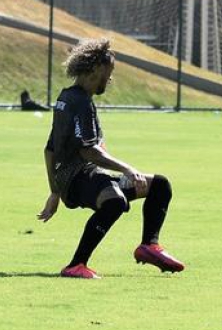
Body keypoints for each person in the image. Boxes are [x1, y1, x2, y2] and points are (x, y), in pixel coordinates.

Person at [37, 38, 185, 278]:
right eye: (109, 72)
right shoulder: (80, 102)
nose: (110, 78)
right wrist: (128, 169)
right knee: (115, 202)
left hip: (83, 177)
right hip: (78, 178)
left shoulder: (68, 98)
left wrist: (54, 192)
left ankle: (149, 246)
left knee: (159, 186)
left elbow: (49, 149)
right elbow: (89, 152)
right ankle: (76, 265)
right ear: (96, 69)